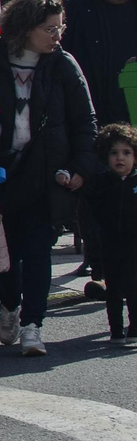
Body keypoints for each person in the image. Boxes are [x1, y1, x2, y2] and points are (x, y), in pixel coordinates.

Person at [0, 0, 96, 357]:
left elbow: (85, 121)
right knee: (4, 253)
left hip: (45, 173)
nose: (57, 35)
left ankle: (33, 324)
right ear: (26, 27)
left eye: (60, 27)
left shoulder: (63, 65)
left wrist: (80, 166)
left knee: (38, 250)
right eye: (50, 28)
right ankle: (10, 304)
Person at [61, 0, 137, 291]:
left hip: (133, 115)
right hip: (92, 115)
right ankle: (99, 265)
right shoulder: (77, 9)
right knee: (94, 191)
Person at [82, 123, 137, 348]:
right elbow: (91, 208)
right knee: (113, 287)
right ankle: (115, 329)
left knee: (134, 286)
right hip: (110, 242)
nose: (120, 158)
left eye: (126, 153)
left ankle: (134, 328)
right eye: (114, 153)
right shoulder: (101, 183)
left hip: (134, 244)